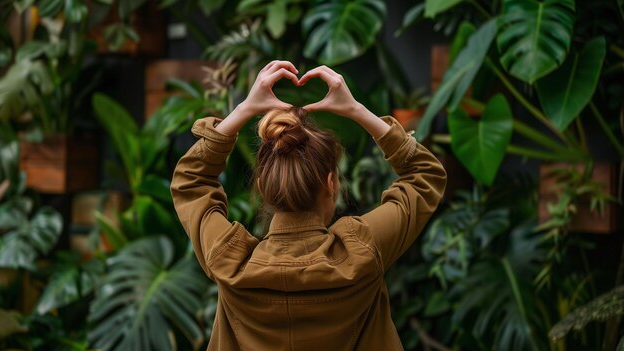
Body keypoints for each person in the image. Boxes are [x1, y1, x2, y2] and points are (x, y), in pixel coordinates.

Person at [171, 60, 447, 350]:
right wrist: (357, 110)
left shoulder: (230, 261)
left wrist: (243, 110)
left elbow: (191, 181)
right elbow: (425, 175)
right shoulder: (362, 251)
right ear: (331, 184)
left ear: (263, 186)